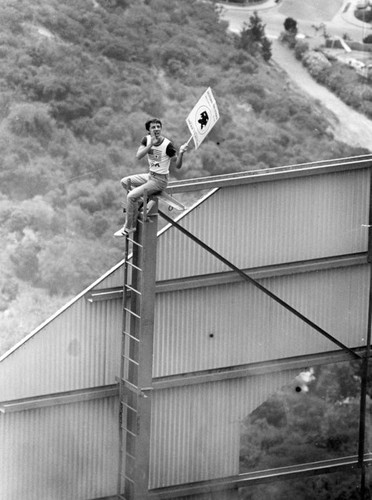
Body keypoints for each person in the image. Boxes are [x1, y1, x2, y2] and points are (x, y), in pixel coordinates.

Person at [114, 118, 189, 237]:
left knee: (130, 196)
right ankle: (141, 201)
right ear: (149, 130)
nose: (157, 129)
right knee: (124, 182)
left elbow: (178, 165)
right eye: (153, 127)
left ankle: (129, 227)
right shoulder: (146, 139)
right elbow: (139, 156)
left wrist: (181, 153)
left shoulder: (167, 145)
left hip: (160, 180)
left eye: (158, 127)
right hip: (150, 175)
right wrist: (150, 145)